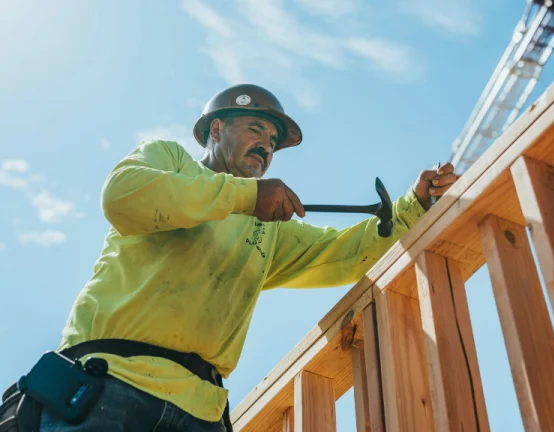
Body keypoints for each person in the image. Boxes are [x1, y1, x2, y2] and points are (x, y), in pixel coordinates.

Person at [38, 84, 459, 431]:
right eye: (256, 130)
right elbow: (122, 195)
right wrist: (247, 195)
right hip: (109, 383)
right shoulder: (170, 162)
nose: (266, 146)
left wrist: (412, 209)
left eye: (273, 141)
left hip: (200, 414)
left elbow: (344, 254)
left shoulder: (265, 228)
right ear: (216, 130)